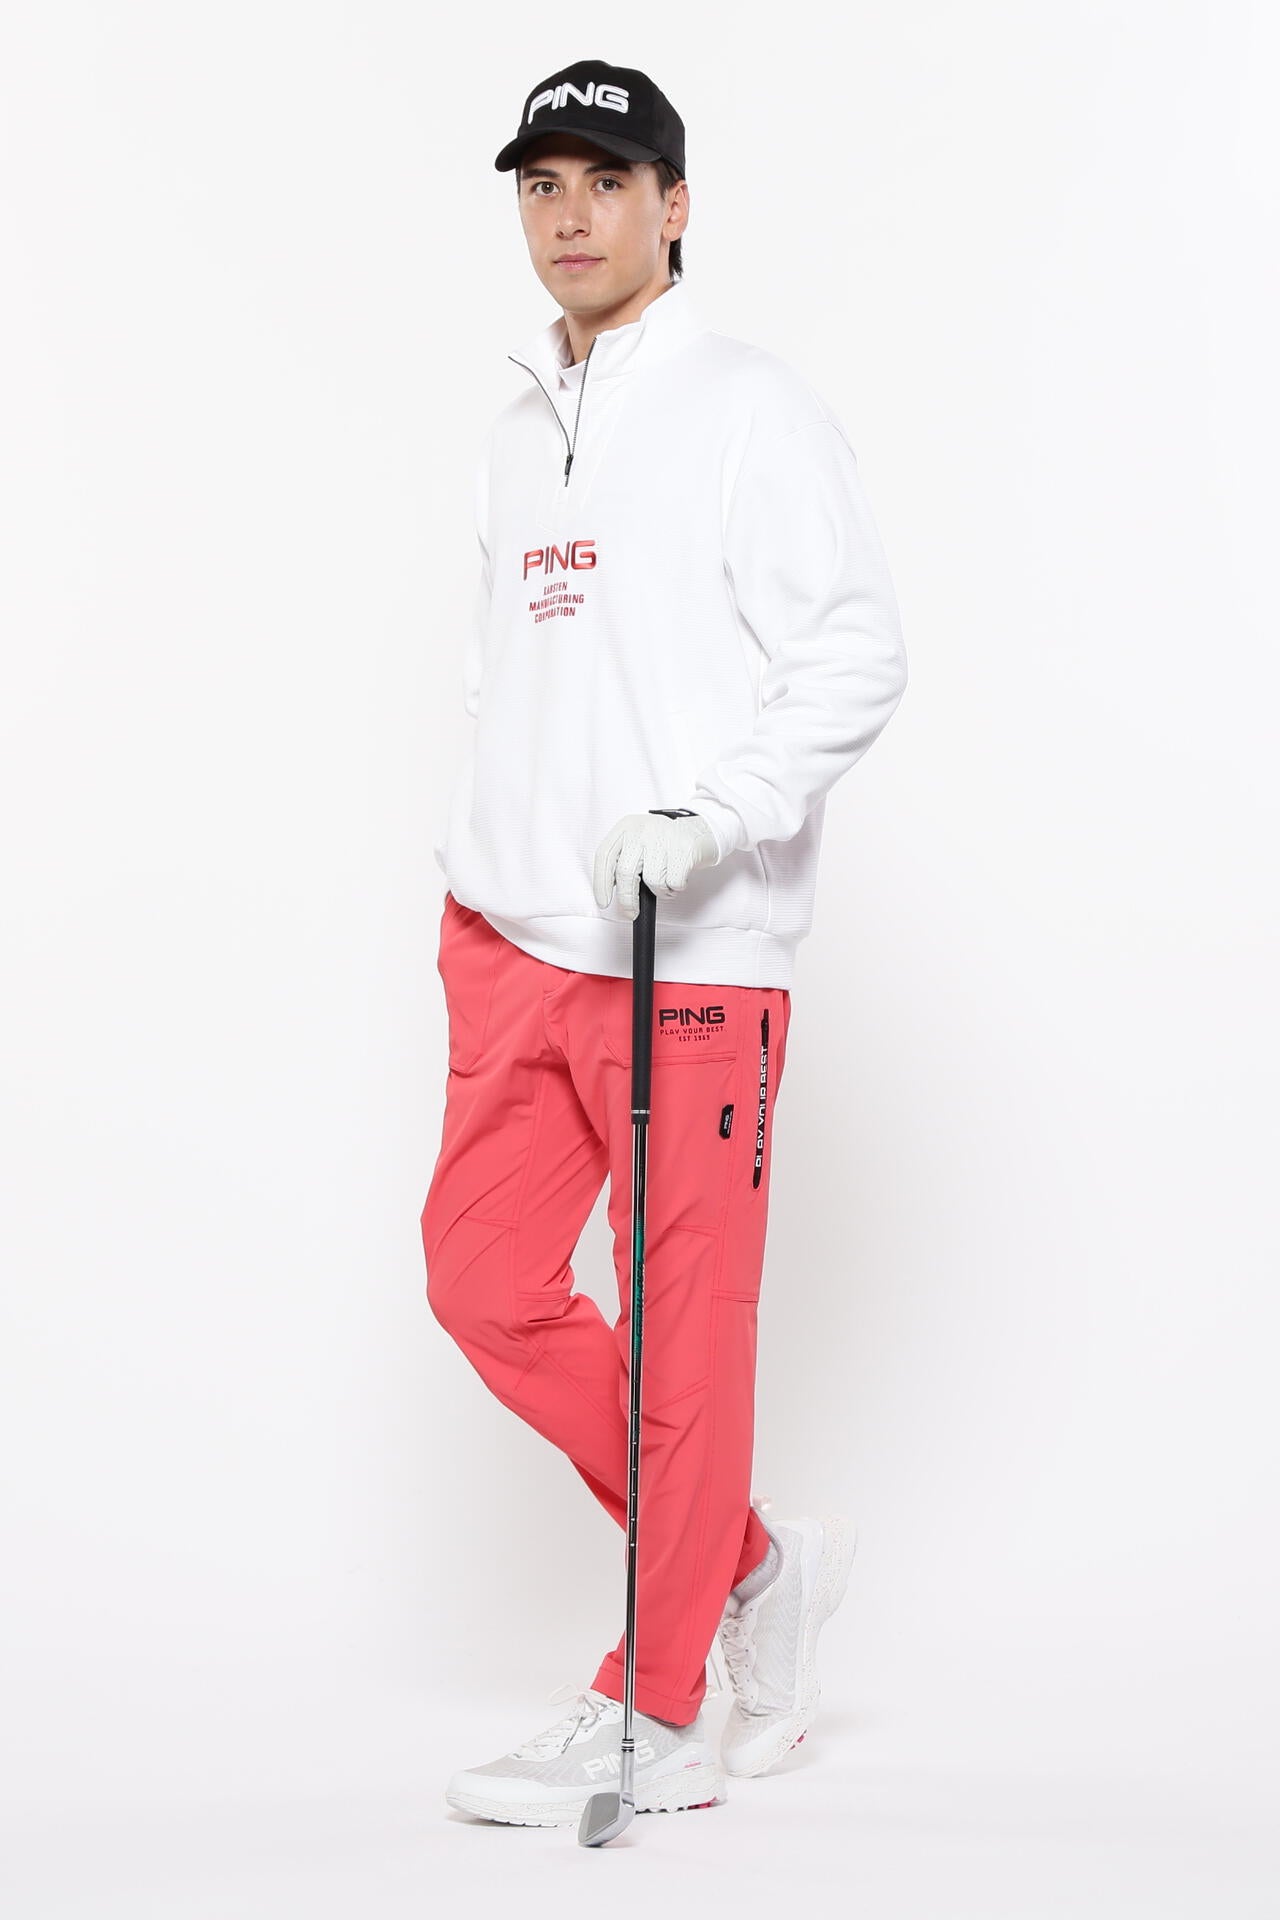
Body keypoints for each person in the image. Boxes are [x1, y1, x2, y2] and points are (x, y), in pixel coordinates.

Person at [422, 58, 907, 1827]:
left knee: (686, 1336)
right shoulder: (515, 428)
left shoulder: (747, 408)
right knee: (482, 1279)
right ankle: (755, 1565)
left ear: (673, 207)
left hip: (685, 949)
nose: (570, 216)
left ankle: (665, 1705)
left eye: (607, 182)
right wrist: (480, 855)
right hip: (516, 934)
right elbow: (512, 673)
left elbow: (854, 647)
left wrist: (721, 812)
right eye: (541, 185)